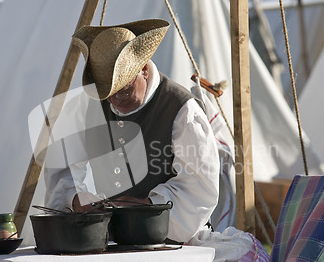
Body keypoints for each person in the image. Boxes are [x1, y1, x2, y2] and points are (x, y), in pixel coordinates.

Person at [43, 19, 220, 244]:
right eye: (108, 94)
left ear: (144, 70)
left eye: (124, 92)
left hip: (171, 243)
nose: (115, 102)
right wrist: (76, 199)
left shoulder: (181, 109)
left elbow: (199, 189)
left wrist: (147, 205)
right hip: (109, 240)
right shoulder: (86, 106)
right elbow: (63, 167)